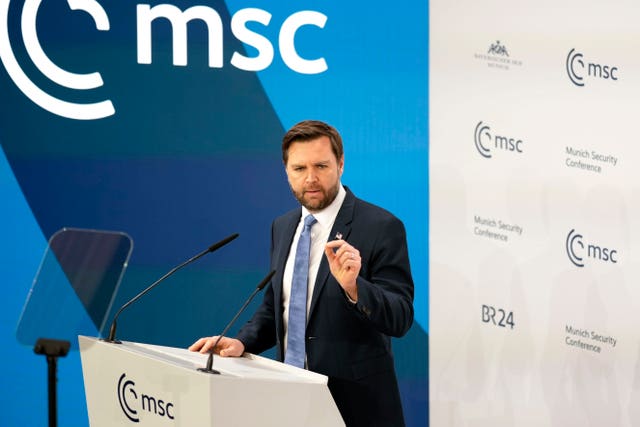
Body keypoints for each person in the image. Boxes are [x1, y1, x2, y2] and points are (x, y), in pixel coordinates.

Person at [189, 120, 414, 427]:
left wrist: (354, 288)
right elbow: (277, 308)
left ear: (341, 164)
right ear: (286, 171)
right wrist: (242, 342)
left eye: (321, 165)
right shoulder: (282, 227)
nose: (311, 178)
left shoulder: (380, 227)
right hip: (291, 399)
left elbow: (400, 317)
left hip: (355, 407)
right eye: (299, 169)